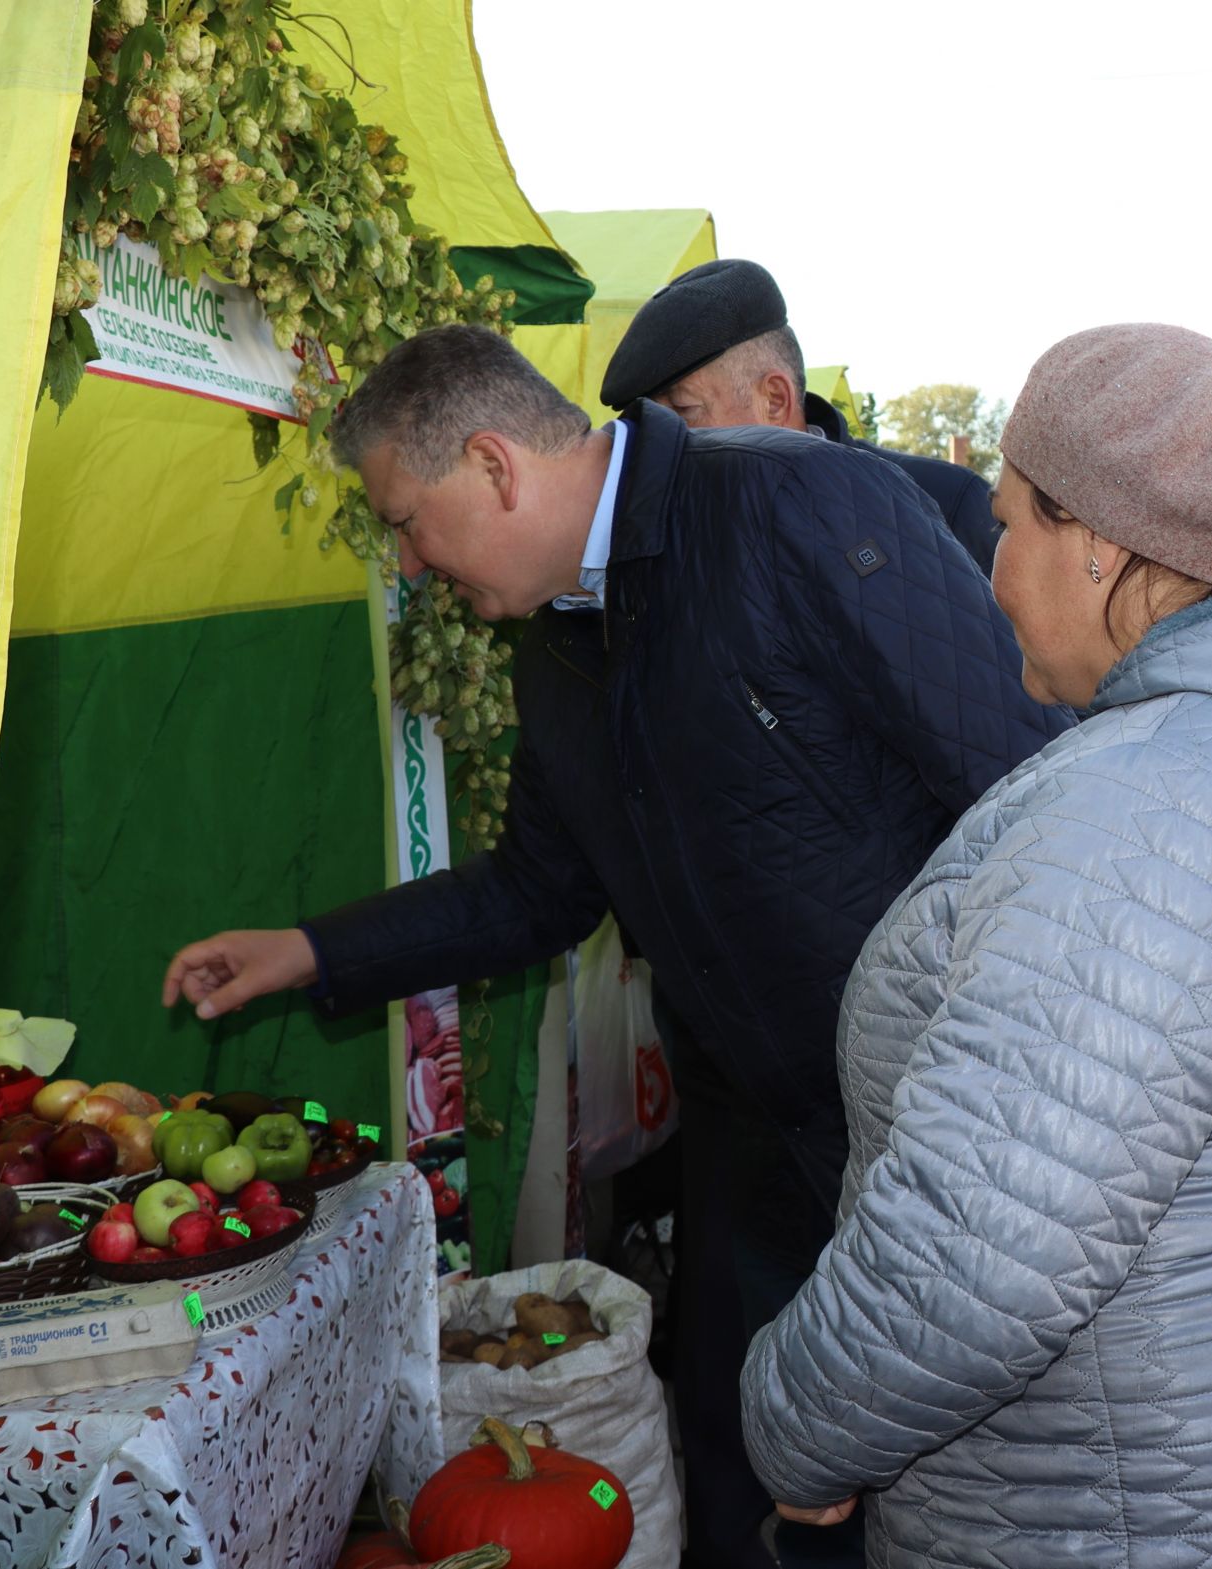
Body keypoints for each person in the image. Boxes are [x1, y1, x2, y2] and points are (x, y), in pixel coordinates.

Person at [162, 324, 1071, 1569]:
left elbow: (1026, 787)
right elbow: (543, 889)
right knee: (752, 1470)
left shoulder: (789, 504)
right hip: (751, 1139)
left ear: (492, 466)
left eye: (405, 521)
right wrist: (313, 952)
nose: (409, 563)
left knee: (952, 1491)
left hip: (935, 1134)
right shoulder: (554, 645)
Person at [740, 323, 1212, 1568]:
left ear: (1101, 546)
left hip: (1150, 1513)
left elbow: (977, 1261)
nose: (992, 573)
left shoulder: (1163, 809)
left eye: (1011, 523)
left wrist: (791, 1427)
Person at [600, 258, 1001, 575]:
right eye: (651, 420)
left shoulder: (948, 503)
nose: (662, 439)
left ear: (774, 400)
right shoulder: (657, 531)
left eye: (683, 411)